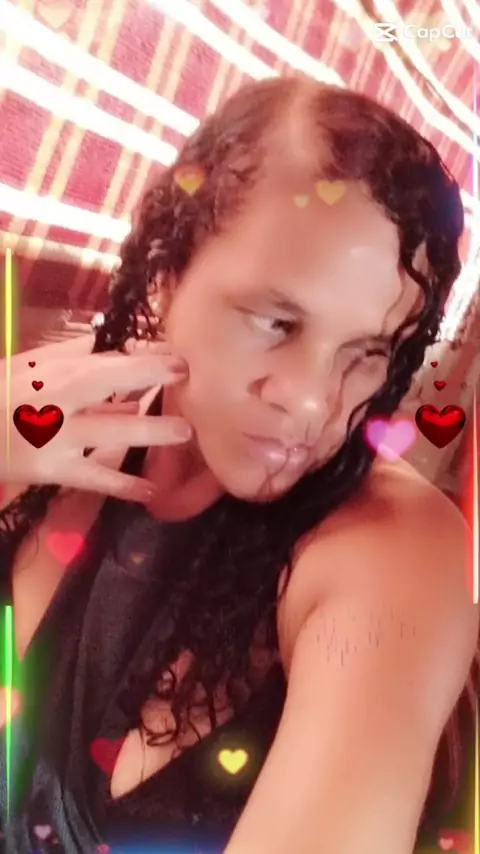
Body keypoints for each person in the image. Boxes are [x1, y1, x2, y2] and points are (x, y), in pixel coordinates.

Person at [0, 74, 478, 854]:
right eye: (276, 322)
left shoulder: (394, 548)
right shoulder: (48, 422)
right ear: (167, 274)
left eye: (366, 353)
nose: (313, 402)